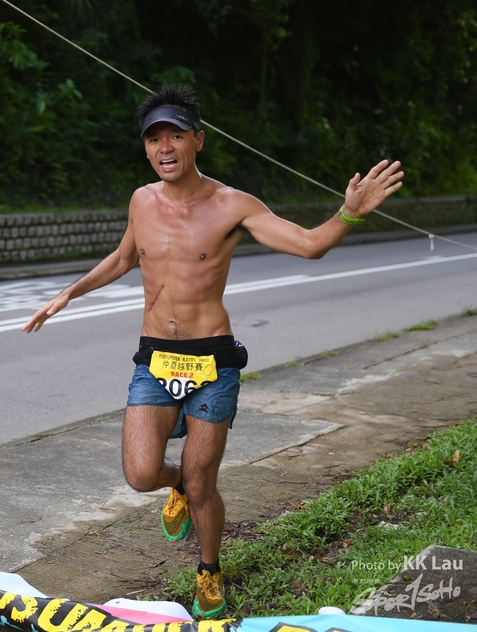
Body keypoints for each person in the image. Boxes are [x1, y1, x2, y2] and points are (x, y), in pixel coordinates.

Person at [22, 84, 403, 618]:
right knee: (140, 474)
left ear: (198, 140)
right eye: (154, 139)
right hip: (155, 358)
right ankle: (175, 483)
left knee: (204, 480)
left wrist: (349, 212)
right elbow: (124, 258)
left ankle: (208, 567)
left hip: (213, 361)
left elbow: (309, 244)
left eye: (175, 135)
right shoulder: (141, 200)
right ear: (146, 148)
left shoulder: (233, 205)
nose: (164, 147)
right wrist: (69, 293)